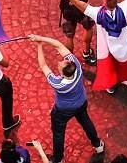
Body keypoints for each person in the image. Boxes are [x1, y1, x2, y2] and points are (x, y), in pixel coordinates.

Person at [28, 34, 105, 163]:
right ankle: (97, 145)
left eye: (60, 65)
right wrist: (41, 38)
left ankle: (58, 159)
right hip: (81, 103)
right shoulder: (77, 67)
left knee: (58, 133)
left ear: (63, 73)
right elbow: (58, 45)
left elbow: (43, 66)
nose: (59, 62)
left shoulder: (59, 84)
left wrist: (39, 45)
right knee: (85, 121)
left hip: (63, 111)